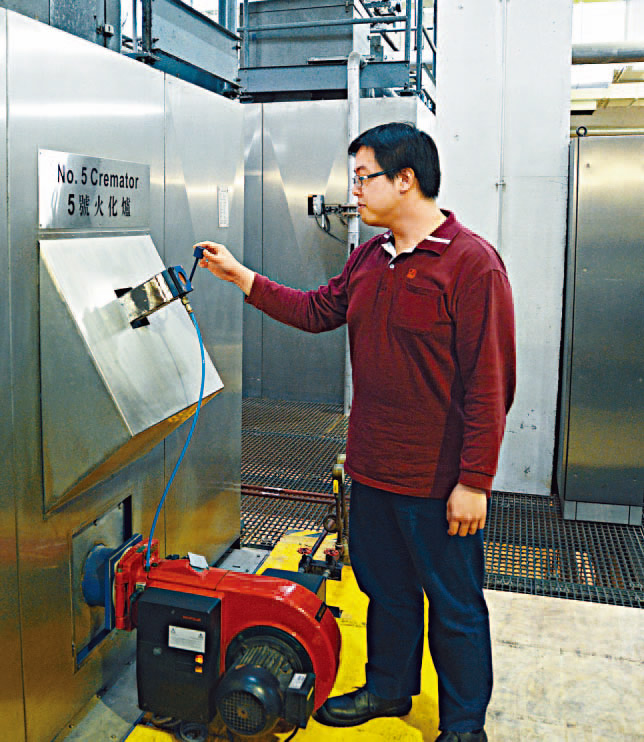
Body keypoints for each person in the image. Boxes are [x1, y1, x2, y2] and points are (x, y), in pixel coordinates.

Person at [194, 122, 515, 742]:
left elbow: (490, 382)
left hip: (437, 480)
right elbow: (318, 310)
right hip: (372, 469)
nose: (356, 191)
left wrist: (474, 481)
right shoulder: (370, 257)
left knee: (454, 606)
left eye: (364, 178)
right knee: (385, 591)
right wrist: (241, 277)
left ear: (406, 179)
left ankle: (463, 726)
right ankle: (389, 688)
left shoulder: (471, 264)